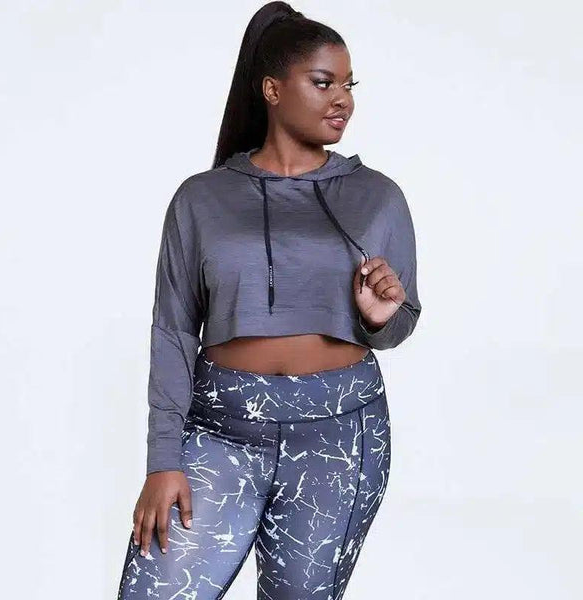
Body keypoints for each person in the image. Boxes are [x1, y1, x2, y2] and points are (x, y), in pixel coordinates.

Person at [116, 2, 422, 598]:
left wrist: (379, 320)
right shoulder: (201, 198)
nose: (343, 100)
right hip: (220, 428)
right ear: (273, 89)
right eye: (323, 82)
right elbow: (173, 330)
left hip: (340, 434)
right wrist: (162, 461)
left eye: (349, 85)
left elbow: (400, 320)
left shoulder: (378, 196)